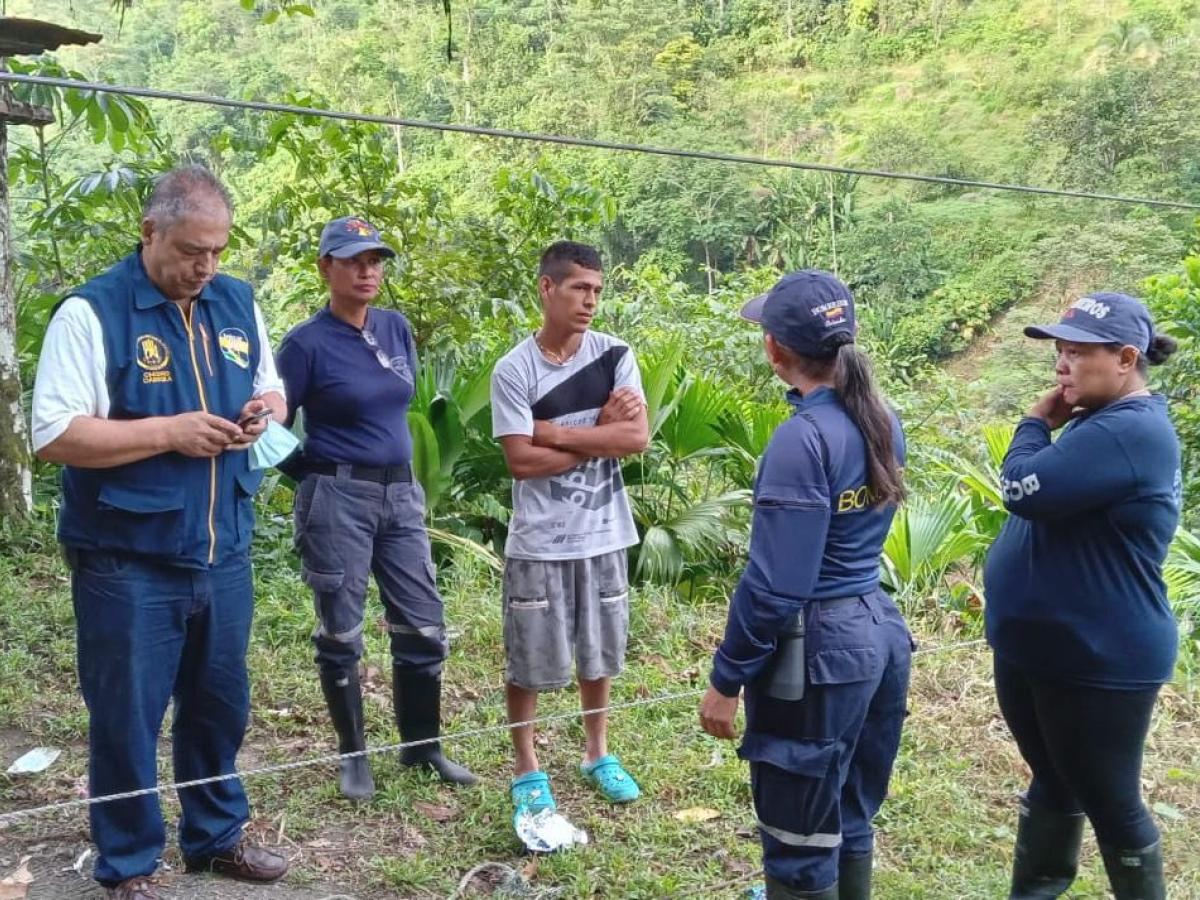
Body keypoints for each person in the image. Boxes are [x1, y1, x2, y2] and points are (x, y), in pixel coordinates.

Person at [30, 165, 290, 900]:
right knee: (127, 716)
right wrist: (168, 431)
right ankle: (129, 863)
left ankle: (216, 837)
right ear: (149, 233)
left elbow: (271, 386)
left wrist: (263, 413)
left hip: (222, 548)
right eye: (190, 251)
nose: (205, 267)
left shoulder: (235, 301)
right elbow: (55, 433)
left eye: (217, 251)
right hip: (127, 558)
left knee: (218, 705)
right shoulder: (93, 312)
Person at [699, 270, 911, 900]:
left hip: (819, 654)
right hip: (876, 632)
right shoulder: (880, 418)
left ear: (774, 348)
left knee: (799, 841)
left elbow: (774, 586)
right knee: (848, 816)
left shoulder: (802, 439)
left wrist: (726, 679)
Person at [984, 293, 1179, 900]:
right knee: (1054, 779)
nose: (1061, 364)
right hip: (1044, 649)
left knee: (1112, 803)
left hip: (1099, 658)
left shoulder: (1130, 429)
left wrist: (1033, 424)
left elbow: (1023, 489)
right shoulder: (1098, 421)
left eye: (1076, 352)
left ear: (1126, 359)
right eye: (1060, 351)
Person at [275, 216, 476, 801]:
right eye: (353, 261)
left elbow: (397, 401)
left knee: (423, 621)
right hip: (339, 496)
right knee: (341, 632)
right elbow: (271, 425)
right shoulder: (305, 344)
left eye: (375, 261)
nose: (368, 272)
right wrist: (310, 474)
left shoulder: (394, 327)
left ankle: (422, 748)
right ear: (326, 268)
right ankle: (353, 756)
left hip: (402, 494)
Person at [490, 240, 649, 827]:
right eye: (580, 288)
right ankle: (526, 767)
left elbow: (634, 439)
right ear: (547, 288)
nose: (590, 301)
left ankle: (597, 753)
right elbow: (520, 462)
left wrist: (552, 432)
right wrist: (598, 434)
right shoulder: (514, 370)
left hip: (604, 532)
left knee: (599, 653)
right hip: (539, 541)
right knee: (528, 659)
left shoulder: (615, 355)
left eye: (597, 291)